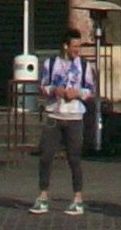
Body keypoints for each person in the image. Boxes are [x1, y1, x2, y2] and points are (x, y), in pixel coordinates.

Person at [30, 29, 96, 216]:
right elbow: (43, 86)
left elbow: (90, 90)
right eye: (74, 46)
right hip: (54, 115)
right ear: (65, 46)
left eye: (79, 46)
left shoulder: (84, 66)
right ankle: (43, 196)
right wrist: (55, 90)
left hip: (74, 117)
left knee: (74, 158)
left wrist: (78, 93)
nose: (77, 50)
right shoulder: (51, 64)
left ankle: (77, 199)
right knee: (46, 156)